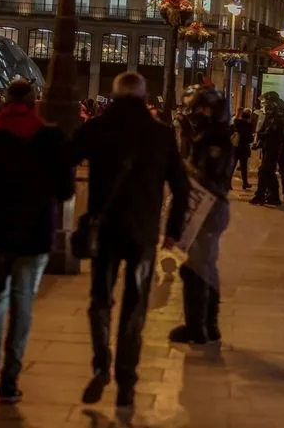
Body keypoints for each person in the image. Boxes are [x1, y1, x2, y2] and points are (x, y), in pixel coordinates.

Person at [70, 72, 190, 410]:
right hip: (143, 234)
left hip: (105, 231)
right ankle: (127, 380)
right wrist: (173, 232)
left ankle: (100, 364)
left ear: (114, 94)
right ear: (143, 96)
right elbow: (181, 187)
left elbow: (64, 158)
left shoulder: (96, 128)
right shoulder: (161, 135)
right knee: (135, 305)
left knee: (100, 300)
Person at [0, 80, 74, 404]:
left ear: (6, 103)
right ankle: (10, 377)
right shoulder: (50, 139)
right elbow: (65, 191)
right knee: (22, 305)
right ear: (35, 103)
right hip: (34, 236)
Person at [168, 85, 233, 344]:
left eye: (202, 109)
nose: (196, 114)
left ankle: (199, 327)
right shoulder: (208, 136)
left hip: (208, 206)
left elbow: (207, 175)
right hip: (207, 205)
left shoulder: (215, 139)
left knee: (196, 267)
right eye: (194, 109)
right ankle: (207, 324)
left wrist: (182, 166)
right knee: (202, 265)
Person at [250, 92, 284, 207]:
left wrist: (260, 134)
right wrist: (258, 144)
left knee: (264, 172)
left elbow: (272, 134)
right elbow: (265, 131)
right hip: (267, 148)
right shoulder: (269, 116)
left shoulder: (278, 118)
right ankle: (273, 197)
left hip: (273, 149)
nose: (265, 105)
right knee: (268, 173)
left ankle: (261, 196)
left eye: (267, 103)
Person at [231, 109, 255, 190]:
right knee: (244, 167)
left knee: (232, 166)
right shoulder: (248, 126)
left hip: (235, 147)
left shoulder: (236, 123)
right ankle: (245, 183)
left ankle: (227, 183)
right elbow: (250, 139)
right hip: (244, 148)